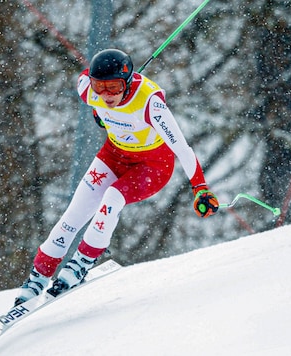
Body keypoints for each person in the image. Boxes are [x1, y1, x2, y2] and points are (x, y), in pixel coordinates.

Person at [15, 49, 219, 305]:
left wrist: (200, 187)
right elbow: (92, 93)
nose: (106, 95)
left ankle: (81, 262)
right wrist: (99, 112)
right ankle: (38, 277)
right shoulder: (87, 89)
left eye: (113, 87)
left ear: (128, 82)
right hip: (114, 156)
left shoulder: (150, 103)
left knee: (112, 197)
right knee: (73, 215)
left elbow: (182, 149)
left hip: (151, 165)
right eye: (100, 87)